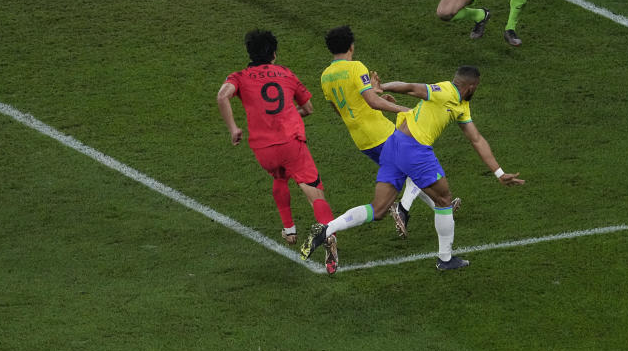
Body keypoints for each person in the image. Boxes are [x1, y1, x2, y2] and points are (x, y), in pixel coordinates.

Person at [299, 65, 524, 271]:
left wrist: (499, 172)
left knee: (378, 209)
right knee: (444, 199)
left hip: (393, 145)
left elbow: (477, 139)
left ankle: (326, 229)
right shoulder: (444, 90)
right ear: (471, 87)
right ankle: (445, 259)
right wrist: (381, 87)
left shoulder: (462, 106)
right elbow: (411, 88)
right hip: (414, 149)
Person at [216, 29, 340, 274]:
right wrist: (293, 113)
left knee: (279, 176)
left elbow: (222, 97)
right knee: (313, 192)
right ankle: (329, 233)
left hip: (263, 149)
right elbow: (308, 108)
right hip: (291, 143)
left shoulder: (238, 76)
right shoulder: (286, 73)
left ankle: (289, 228)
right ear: (273, 53)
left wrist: (233, 129)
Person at [320, 25, 460, 238]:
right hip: (381, 132)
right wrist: (404, 109)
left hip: (362, 140)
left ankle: (439, 207)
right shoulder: (355, 67)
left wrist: (378, 99)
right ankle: (403, 209)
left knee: (407, 170)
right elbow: (372, 102)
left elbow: (343, 108)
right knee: (414, 163)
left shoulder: (325, 76)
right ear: (351, 46)